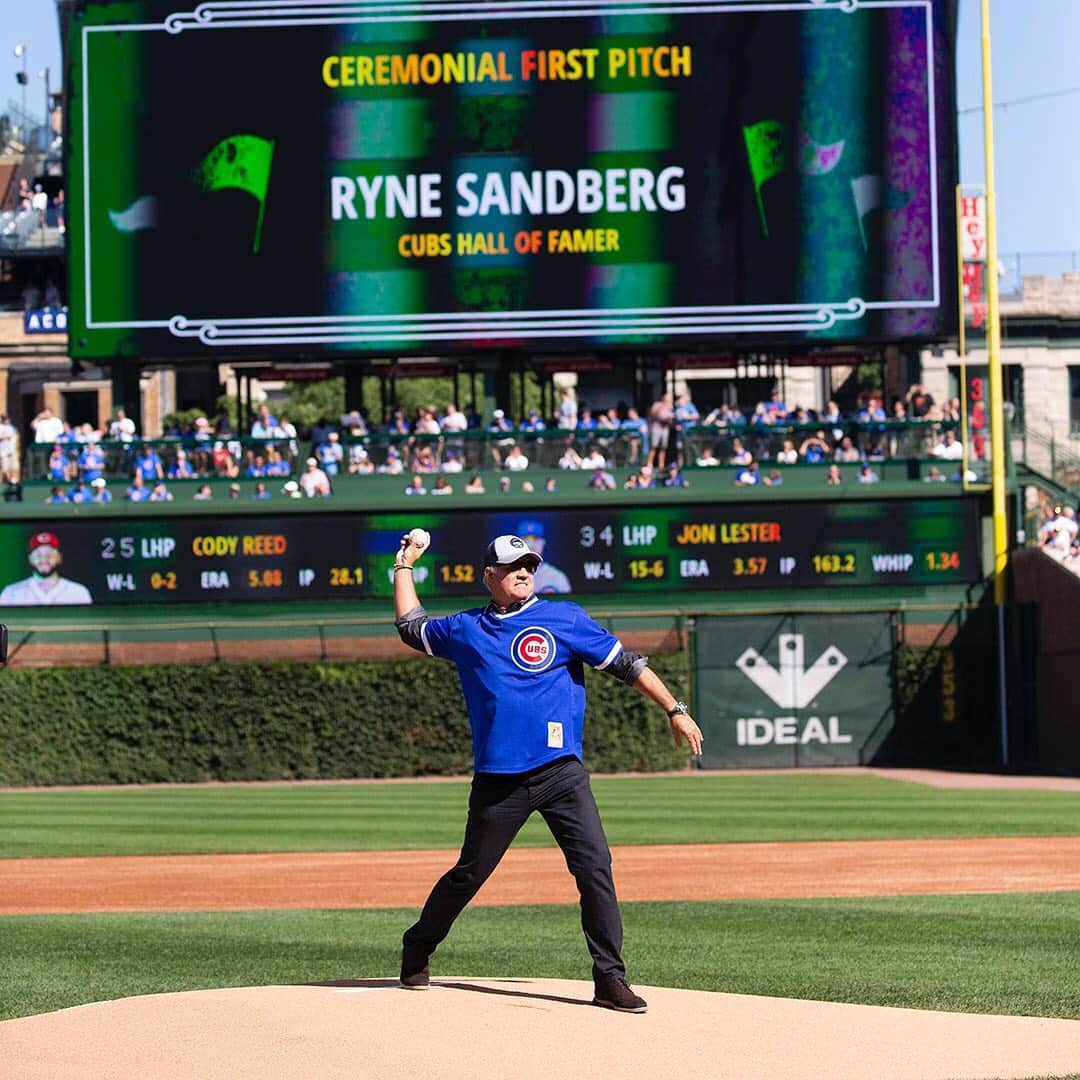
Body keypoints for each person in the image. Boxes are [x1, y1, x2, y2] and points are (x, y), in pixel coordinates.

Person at [392, 530, 702, 1011]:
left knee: (595, 867)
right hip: (500, 780)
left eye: (530, 565)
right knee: (469, 875)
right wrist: (404, 567)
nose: (523, 572)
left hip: (561, 773)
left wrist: (674, 708)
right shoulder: (467, 628)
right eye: (513, 566)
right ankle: (419, 944)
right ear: (489, 575)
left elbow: (627, 663)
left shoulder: (563, 618)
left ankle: (610, 978)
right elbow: (413, 628)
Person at [0, 531, 92, 606]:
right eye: (38, 554)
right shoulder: (11, 593)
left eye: (49, 554)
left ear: (59, 557)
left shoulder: (78, 592)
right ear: (30, 559)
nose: (44, 559)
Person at [517, 519, 571, 594]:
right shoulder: (508, 575)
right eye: (526, 539)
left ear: (543, 542)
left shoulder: (556, 576)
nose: (531, 544)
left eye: (535, 539)